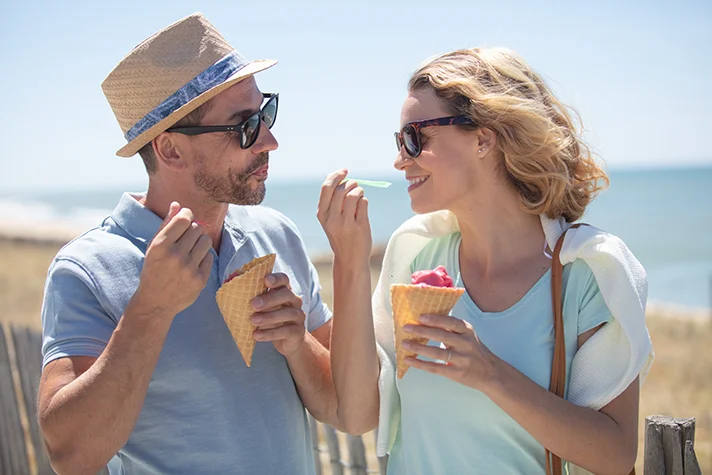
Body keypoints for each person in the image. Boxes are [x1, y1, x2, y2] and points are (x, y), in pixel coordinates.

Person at [318, 47, 653, 474]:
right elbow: (359, 412)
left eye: (414, 137)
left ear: (483, 138)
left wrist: (490, 373)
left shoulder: (586, 272)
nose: (401, 159)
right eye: (399, 141)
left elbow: (616, 455)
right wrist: (350, 261)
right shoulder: (415, 253)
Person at [38, 13, 339, 475]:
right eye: (244, 126)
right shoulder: (85, 269)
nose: (271, 141)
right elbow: (70, 456)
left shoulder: (276, 233)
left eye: (267, 113)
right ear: (170, 149)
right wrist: (151, 310)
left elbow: (345, 405)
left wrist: (299, 341)